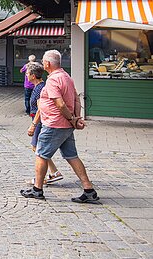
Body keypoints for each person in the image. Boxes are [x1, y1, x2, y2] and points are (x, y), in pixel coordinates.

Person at [20, 50, 99, 203]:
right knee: (71, 156)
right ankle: (88, 189)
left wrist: (71, 118)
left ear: (48, 64)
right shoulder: (67, 77)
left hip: (54, 124)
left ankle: (37, 189)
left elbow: (60, 103)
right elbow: (75, 98)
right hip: (66, 126)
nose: (43, 64)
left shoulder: (53, 80)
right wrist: (75, 119)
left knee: (41, 155)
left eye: (43, 62)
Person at [25, 62, 63, 185]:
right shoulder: (39, 87)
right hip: (40, 120)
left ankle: (50, 173)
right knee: (38, 147)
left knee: (38, 148)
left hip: (40, 121)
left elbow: (41, 109)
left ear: (33, 76)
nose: (26, 76)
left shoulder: (40, 88)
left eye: (27, 73)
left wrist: (33, 125)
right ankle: (53, 172)